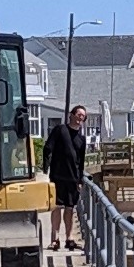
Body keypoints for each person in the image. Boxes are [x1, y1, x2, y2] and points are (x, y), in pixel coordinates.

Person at [42, 100, 88, 254]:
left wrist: (80, 180)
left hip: (73, 179)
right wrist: (45, 168)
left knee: (70, 208)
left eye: (83, 116)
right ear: (71, 115)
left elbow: (81, 162)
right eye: (79, 114)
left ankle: (69, 238)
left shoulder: (81, 139)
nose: (80, 118)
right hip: (57, 176)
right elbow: (48, 148)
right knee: (56, 208)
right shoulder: (60, 130)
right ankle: (54, 239)